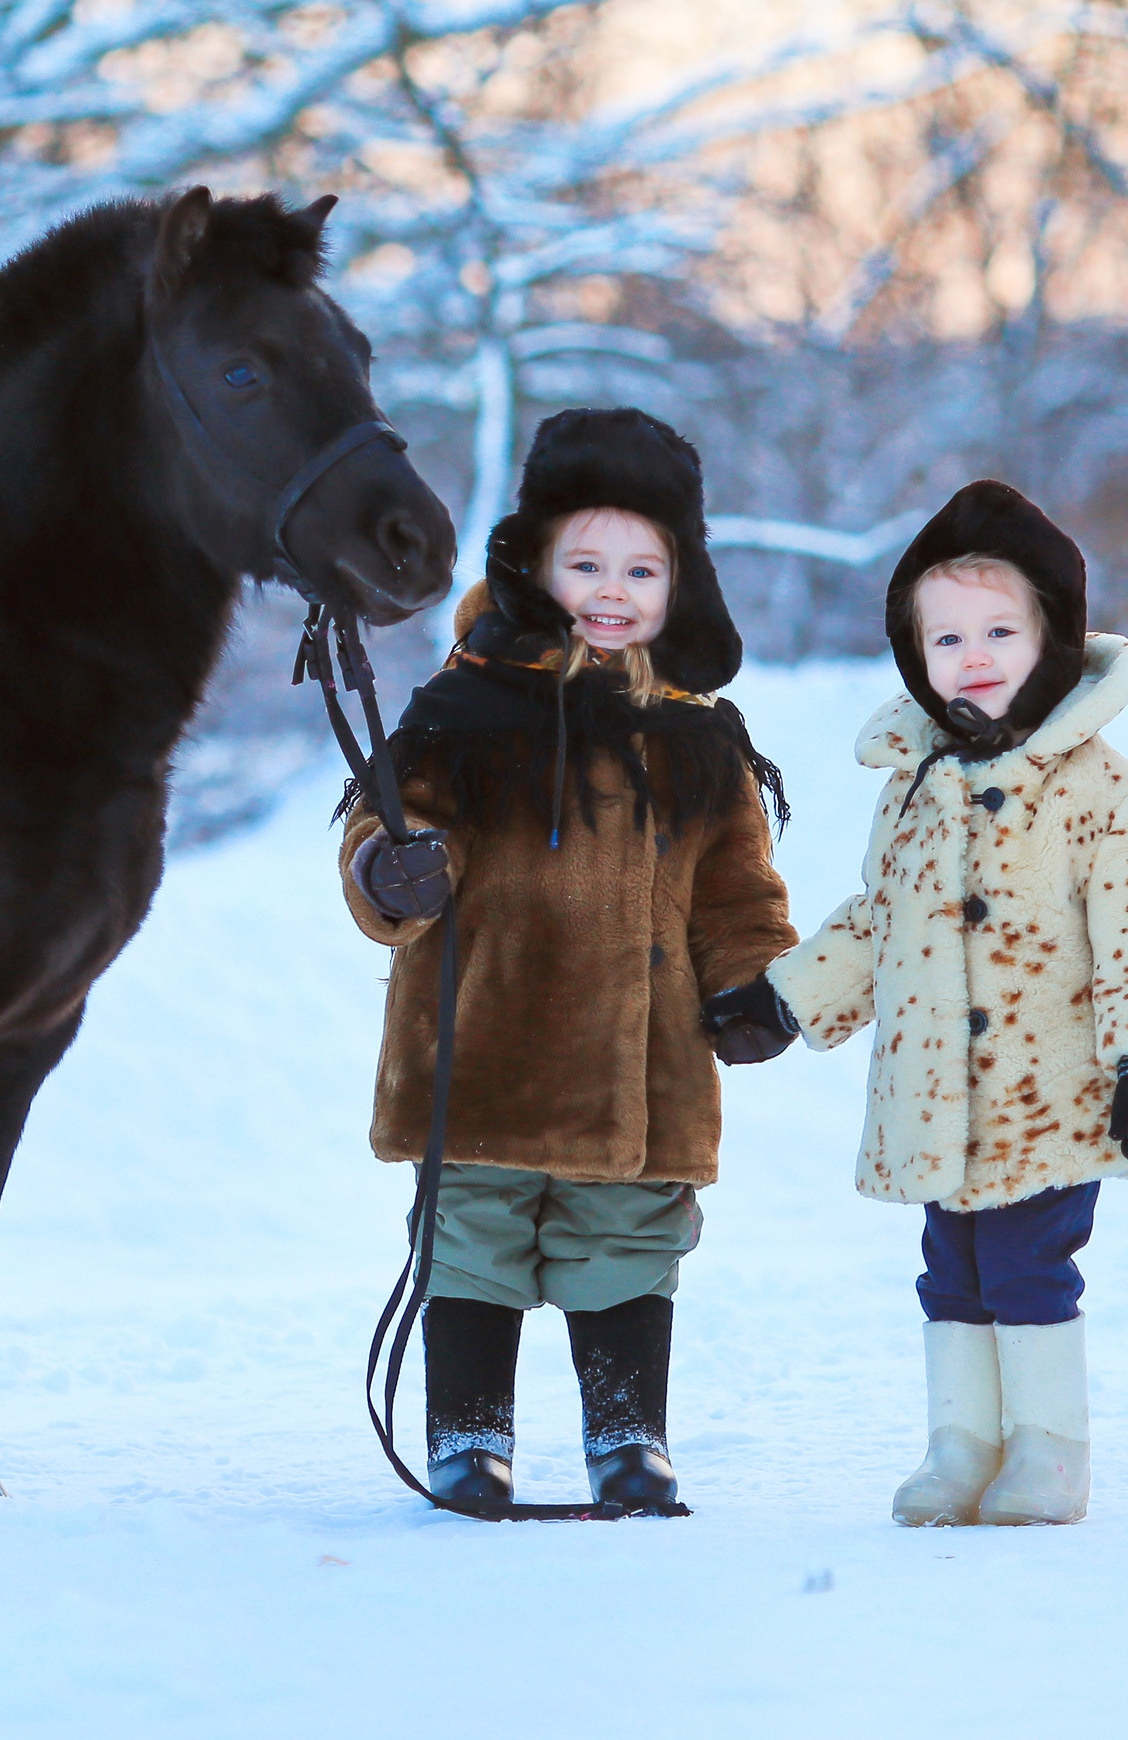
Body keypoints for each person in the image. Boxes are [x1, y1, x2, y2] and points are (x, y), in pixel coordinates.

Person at [708, 480, 1128, 1526]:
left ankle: (1048, 1453)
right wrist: (785, 1001)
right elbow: (880, 921)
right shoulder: (913, 788)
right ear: (914, 655)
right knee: (950, 1273)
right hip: (939, 1097)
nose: (972, 655)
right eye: (946, 638)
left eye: (998, 630)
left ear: (1050, 636)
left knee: (1029, 1267)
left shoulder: (1103, 791)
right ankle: (962, 1445)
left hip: (1050, 1096)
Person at [339, 408, 796, 1517]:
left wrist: (749, 981)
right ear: (534, 567)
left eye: (641, 569)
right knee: (472, 1240)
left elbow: (736, 889)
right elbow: (386, 827)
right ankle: (470, 1438)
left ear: (680, 584)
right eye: (585, 564)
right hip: (480, 1047)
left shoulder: (698, 737)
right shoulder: (461, 710)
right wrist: (393, 870)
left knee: (627, 1241)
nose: (611, 590)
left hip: (639, 1065)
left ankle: (628, 1437)